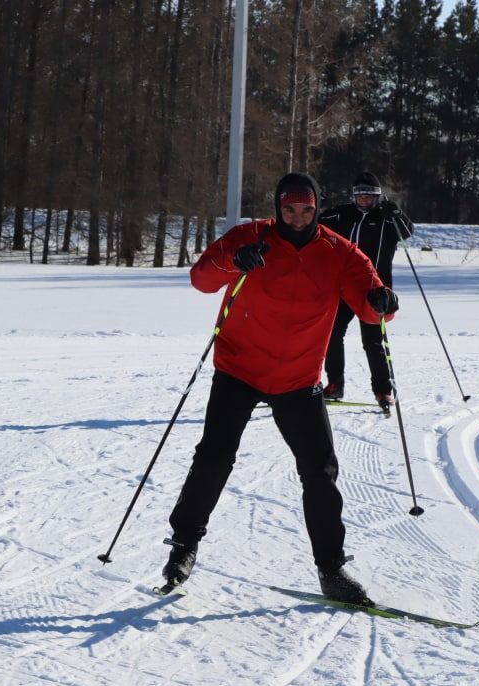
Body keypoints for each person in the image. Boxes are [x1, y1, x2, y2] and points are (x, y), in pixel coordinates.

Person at [162, 172, 400, 604]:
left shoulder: (339, 252)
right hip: (239, 368)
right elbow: (201, 278)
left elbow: (370, 305)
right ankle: (183, 545)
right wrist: (235, 260)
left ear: (317, 208)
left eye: (305, 210)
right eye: (289, 209)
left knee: (320, 472)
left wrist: (383, 302)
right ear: (277, 207)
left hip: (297, 379)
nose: (296, 218)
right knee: (214, 457)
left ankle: (332, 570)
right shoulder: (250, 237)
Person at [319, 171, 413, 414]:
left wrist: (397, 213)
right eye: (359, 196)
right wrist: (317, 203)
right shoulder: (342, 214)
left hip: (374, 291)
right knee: (331, 334)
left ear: (377, 197)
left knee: (372, 341)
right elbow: (314, 224)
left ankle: (383, 390)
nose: (363, 201)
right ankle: (335, 385)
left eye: (369, 196)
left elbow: (406, 232)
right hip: (343, 287)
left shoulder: (384, 218)